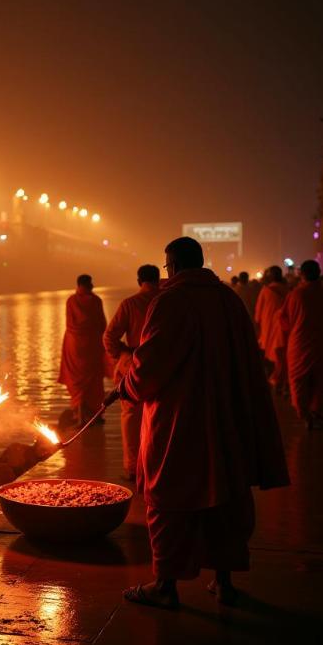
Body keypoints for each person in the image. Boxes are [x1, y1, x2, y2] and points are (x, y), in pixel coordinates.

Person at [110, 237, 289, 609]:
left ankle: (165, 585)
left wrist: (125, 385)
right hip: (227, 417)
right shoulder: (229, 300)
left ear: (171, 266)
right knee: (224, 496)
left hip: (179, 421)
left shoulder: (170, 301)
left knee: (167, 498)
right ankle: (223, 583)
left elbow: (148, 367)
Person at [102, 264, 160, 480]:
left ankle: (134, 468)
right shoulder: (169, 301)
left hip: (135, 365)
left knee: (131, 418)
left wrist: (122, 355)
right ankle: (158, 466)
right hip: (164, 365)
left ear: (139, 281)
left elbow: (109, 337)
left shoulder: (130, 304)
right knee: (162, 417)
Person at [279, 259, 323, 430]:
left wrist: (292, 330)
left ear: (301, 275)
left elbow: (283, 319)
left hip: (298, 344)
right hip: (321, 344)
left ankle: (304, 414)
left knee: (298, 381)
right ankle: (314, 410)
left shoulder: (295, 295)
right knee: (319, 381)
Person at [58, 274, 108, 425]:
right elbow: (102, 325)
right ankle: (95, 415)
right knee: (93, 381)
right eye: (91, 284)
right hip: (92, 345)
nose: (92, 286)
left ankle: (80, 417)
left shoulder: (71, 301)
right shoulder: (95, 300)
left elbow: (69, 324)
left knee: (77, 382)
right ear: (88, 285)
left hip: (73, 345)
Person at [254, 265, 290, 394]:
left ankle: (274, 381)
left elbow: (258, 315)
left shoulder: (266, 290)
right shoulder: (288, 290)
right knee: (282, 357)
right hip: (284, 330)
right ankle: (281, 382)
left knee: (271, 358)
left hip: (268, 330)